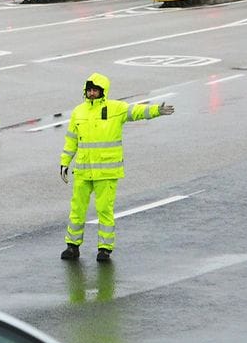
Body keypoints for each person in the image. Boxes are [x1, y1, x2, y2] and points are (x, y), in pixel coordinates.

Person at [59, 73, 174, 262]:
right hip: (83, 171)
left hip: (106, 172)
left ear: (103, 91)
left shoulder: (115, 108)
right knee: (77, 209)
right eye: (89, 90)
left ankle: (104, 248)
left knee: (104, 209)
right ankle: (72, 246)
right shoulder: (78, 112)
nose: (92, 93)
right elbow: (71, 140)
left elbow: (136, 111)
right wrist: (65, 161)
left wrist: (156, 110)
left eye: (95, 90)